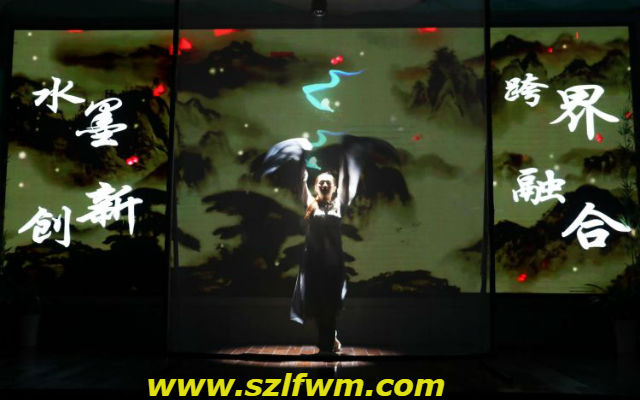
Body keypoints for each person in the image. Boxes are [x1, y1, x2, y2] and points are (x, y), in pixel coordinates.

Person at [290, 165, 348, 354]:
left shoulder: (338, 204)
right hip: (314, 264)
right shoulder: (310, 203)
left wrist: (345, 162)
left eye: (328, 183)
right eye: (321, 182)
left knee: (330, 304)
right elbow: (301, 182)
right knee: (316, 304)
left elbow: (347, 183)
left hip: (333, 265)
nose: (324, 185)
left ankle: (327, 343)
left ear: (334, 188)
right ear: (316, 187)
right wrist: (302, 167)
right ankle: (328, 340)